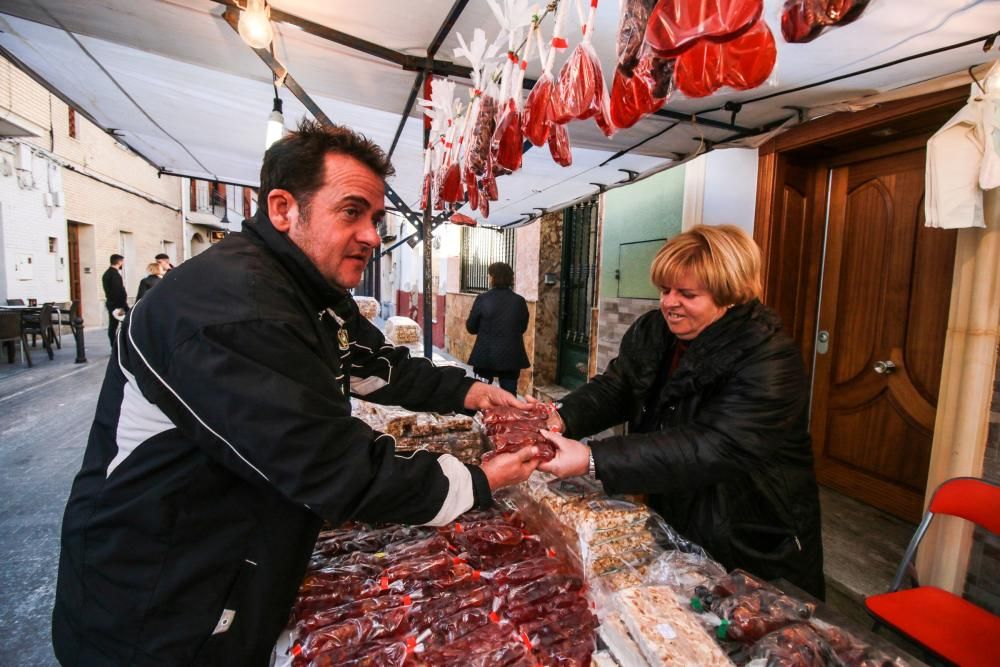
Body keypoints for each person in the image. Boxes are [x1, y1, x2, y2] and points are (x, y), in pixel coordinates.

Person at [52, 120, 540, 666]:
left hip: (230, 565)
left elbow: (375, 366)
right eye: (351, 212)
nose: (373, 236)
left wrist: (472, 393)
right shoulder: (233, 308)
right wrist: (478, 479)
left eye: (377, 219)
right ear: (284, 209)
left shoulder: (306, 292)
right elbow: (331, 465)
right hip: (158, 605)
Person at [538, 225, 824, 598]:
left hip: (751, 534)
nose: (669, 303)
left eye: (687, 294)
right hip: (676, 510)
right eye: (665, 290)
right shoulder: (655, 331)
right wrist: (561, 416)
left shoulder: (769, 357)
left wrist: (593, 459)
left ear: (731, 295)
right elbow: (619, 387)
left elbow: (714, 446)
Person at [466, 261, 531, 395]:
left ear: (494, 277)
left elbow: (471, 327)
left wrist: (486, 329)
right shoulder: (519, 301)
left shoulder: (483, 299)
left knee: (482, 395)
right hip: (511, 357)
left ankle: (485, 416)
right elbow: (522, 328)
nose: (488, 278)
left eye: (490, 275)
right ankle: (507, 416)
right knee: (508, 396)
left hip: (485, 356)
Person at [100, 253, 127, 347]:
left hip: (112, 303)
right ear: (119, 262)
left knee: (113, 325)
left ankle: (114, 345)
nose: (123, 264)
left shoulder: (107, 274)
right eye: (122, 262)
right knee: (125, 324)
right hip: (117, 305)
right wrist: (121, 306)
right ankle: (118, 346)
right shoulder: (114, 275)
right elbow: (117, 292)